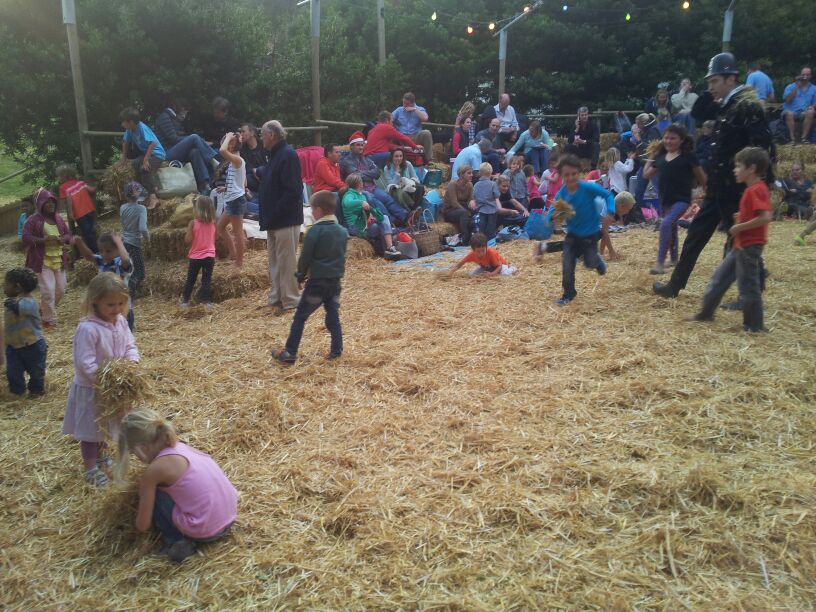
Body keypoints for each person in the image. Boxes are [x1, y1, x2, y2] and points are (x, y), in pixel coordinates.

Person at [654, 52, 773, 299]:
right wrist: (711, 91)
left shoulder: (748, 106)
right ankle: (675, 285)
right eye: (709, 82)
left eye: (714, 81)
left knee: (739, 239)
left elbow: (763, 147)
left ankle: (750, 293)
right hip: (718, 186)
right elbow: (698, 112)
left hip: (736, 189)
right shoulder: (727, 103)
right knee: (695, 236)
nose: (710, 87)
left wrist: (760, 183)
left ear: (731, 79)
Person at [115, 409, 237, 562]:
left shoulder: (154, 471)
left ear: (143, 448)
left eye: (134, 453)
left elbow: (142, 525)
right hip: (230, 517)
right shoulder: (181, 447)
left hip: (205, 529)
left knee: (156, 493)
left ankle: (175, 541)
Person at [62, 273, 139, 487]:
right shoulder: (88, 329)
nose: (117, 309)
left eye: (121, 303)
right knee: (91, 430)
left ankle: (102, 458)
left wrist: (132, 363)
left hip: (114, 387)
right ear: (95, 301)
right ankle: (90, 468)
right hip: (93, 388)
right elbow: (84, 362)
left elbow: (130, 345)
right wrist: (104, 379)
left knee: (105, 426)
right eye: (110, 304)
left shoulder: (120, 321)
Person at [687, 147, 771, 332]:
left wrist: (739, 227)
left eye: (739, 166)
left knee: (748, 286)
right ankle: (705, 313)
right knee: (719, 278)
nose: (735, 170)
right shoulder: (752, 190)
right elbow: (756, 215)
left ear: (752, 168)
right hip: (741, 245)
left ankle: (754, 326)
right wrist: (740, 216)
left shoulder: (756, 190)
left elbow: (765, 217)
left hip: (749, 246)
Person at [271, 192, 348, 365]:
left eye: (312, 210)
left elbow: (305, 258)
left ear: (319, 210)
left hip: (317, 284)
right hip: (334, 283)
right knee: (333, 316)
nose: (312, 213)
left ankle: (290, 352)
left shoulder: (314, 232)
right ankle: (336, 351)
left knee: (300, 317)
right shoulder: (342, 232)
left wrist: (300, 276)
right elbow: (342, 256)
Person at [644, 125, 707, 275]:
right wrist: (652, 156)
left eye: (673, 138)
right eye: (666, 138)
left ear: (681, 140)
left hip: (682, 199)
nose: (668, 141)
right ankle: (673, 259)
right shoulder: (661, 157)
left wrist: (707, 190)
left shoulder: (688, 157)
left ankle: (660, 262)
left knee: (666, 223)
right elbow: (646, 174)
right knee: (671, 227)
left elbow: (701, 176)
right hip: (666, 199)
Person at [550, 154, 611, 306]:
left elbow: (607, 195)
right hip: (572, 235)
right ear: (561, 176)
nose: (571, 178)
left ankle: (597, 262)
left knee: (589, 263)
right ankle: (568, 294)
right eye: (567, 175)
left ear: (579, 173)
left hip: (590, 234)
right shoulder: (562, 193)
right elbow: (553, 209)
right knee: (567, 264)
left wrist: (610, 210)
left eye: (574, 174)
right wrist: (551, 218)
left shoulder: (587, 187)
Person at [258, 120, 303, 313]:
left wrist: (275, 212)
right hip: (274, 220)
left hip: (285, 219)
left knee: (286, 262)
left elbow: (293, 191)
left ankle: (290, 299)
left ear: (272, 135)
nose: (261, 138)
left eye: (263, 135)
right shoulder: (276, 156)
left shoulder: (287, 155)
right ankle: (277, 297)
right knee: (276, 263)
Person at [22, 188, 71, 329]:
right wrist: (44, 240)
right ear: (40, 204)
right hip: (42, 260)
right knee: (48, 291)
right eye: (47, 202)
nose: (51, 204)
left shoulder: (58, 219)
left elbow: (68, 234)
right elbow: (26, 237)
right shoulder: (32, 220)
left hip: (58, 259)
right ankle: (47, 319)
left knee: (61, 289)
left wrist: (63, 239)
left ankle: (43, 310)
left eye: (52, 202)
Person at [339, 131, 406, 226]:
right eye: (358, 145)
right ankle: (392, 222)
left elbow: (377, 173)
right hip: (359, 190)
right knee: (377, 203)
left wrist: (362, 173)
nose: (361, 147)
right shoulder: (346, 161)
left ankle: (406, 217)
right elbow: (356, 176)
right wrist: (369, 173)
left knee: (388, 199)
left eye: (362, 145)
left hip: (372, 187)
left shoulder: (366, 159)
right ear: (351, 146)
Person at [154, 98, 218, 193]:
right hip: (165, 153)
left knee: (195, 152)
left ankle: (205, 184)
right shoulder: (164, 118)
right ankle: (213, 161)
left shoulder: (173, 118)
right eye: (185, 111)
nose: (185, 114)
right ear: (180, 109)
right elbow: (173, 139)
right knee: (194, 137)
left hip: (172, 149)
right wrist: (192, 139)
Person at [74, 231, 136, 330]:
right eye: (101, 251)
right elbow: (89, 256)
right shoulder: (102, 261)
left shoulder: (119, 263)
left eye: (108, 251)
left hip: (122, 308)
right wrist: (80, 243)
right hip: (106, 307)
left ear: (119, 250)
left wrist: (119, 242)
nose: (104, 254)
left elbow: (125, 260)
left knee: (124, 334)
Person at [4, 268, 46, 397]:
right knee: (13, 372)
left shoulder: (30, 302)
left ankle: (36, 390)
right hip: (13, 346)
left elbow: (18, 307)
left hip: (33, 345)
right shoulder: (13, 301)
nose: (3, 287)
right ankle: (18, 392)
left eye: (6, 284)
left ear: (17, 287)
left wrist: (10, 302)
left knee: (36, 371)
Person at [341, 174, 401, 259]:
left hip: (365, 224)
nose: (363, 183)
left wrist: (371, 214)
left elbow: (370, 212)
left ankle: (390, 248)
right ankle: (387, 251)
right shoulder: (349, 195)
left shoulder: (362, 195)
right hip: (356, 228)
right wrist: (361, 203)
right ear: (358, 183)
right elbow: (348, 203)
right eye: (361, 181)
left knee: (384, 218)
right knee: (379, 227)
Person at [120, 107, 165, 210]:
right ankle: (145, 192)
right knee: (135, 164)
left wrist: (145, 160)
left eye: (123, 122)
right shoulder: (130, 130)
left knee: (144, 169)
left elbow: (153, 143)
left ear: (131, 122)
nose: (122, 124)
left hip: (157, 154)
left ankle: (153, 198)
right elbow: (125, 142)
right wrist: (124, 159)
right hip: (147, 154)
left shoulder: (142, 128)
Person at [216, 132, 246, 267]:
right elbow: (243, 183)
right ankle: (233, 254)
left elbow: (222, 150)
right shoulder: (235, 161)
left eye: (229, 142)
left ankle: (239, 262)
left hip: (236, 200)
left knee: (238, 232)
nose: (226, 144)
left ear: (233, 145)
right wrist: (226, 188)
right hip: (233, 198)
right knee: (220, 227)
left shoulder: (237, 160)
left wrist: (228, 137)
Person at [181, 196, 217, 308]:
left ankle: (185, 301)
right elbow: (216, 238)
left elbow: (187, 240)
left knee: (191, 280)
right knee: (206, 280)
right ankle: (206, 302)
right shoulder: (213, 223)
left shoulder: (193, 223)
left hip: (195, 257)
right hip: (209, 256)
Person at [119, 182, 149, 303]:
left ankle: (128, 291)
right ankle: (130, 292)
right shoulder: (141, 209)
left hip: (124, 243)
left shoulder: (122, 207)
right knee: (140, 273)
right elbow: (143, 228)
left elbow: (123, 223)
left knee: (128, 269)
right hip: (135, 244)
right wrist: (147, 238)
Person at [57, 164, 98, 253]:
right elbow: (92, 190)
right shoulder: (80, 183)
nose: (58, 178)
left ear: (64, 175)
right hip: (90, 209)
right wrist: (98, 184)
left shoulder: (63, 187)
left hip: (80, 214)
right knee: (92, 230)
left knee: (87, 233)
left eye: (59, 176)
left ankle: (95, 251)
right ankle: (97, 248)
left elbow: (68, 200)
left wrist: (70, 213)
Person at [391, 92, 433, 167]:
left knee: (427, 133)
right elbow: (390, 119)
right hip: (402, 137)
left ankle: (428, 160)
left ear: (412, 103)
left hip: (415, 136)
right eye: (403, 103)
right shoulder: (399, 110)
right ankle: (390, 158)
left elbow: (425, 118)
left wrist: (415, 110)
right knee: (390, 133)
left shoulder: (419, 109)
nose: (404, 105)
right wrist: (393, 125)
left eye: (406, 104)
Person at [448, 232, 515, 277]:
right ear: (473, 250)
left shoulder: (491, 253)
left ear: (486, 247)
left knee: (505, 274)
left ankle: (512, 268)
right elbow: (460, 264)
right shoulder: (471, 255)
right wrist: (450, 273)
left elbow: (499, 266)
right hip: (487, 268)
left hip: (501, 266)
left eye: (483, 250)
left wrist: (492, 274)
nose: (481, 253)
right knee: (473, 275)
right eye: (478, 251)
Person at [443, 164, 475, 246]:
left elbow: (470, 200)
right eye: (469, 173)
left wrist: (472, 205)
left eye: (472, 173)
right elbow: (454, 203)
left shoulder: (470, 185)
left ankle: (475, 236)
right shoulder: (452, 184)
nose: (472, 175)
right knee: (464, 213)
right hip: (450, 210)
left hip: (462, 208)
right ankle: (465, 238)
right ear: (461, 174)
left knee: (476, 212)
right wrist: (467, 212)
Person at [782, 67, 816, 143]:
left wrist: (812, 107)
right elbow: (787, 100)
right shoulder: (790, 87)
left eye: (807, 75)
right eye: (803, 75)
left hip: (804, 112)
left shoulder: (814, 88)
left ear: (810, 76)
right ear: (800, 75)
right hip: (790, 111)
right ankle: (792, 139)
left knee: (811, 112)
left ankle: (804, 138)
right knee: (789, 113)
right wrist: (796, 87)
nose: (805, 77)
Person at [238, 123, 267, 205]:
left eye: (243, 131)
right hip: (251, 178)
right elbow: (244, 168)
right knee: (245, 178)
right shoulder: (241, 149)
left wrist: (258, 171)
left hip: (264, 175)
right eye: (240, 132)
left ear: (252, 133)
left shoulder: (264, 145)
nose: (241, 134)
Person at [472, 162, 501, 240]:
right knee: (491, 228)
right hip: (492, 210)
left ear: (480, 173)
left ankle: (481, 242)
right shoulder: (493, 184)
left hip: (481, 210)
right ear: (490, 172)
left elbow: (474, 196)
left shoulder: (476, 185)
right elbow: (497, 195)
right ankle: (490, 242)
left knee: (482, 228)